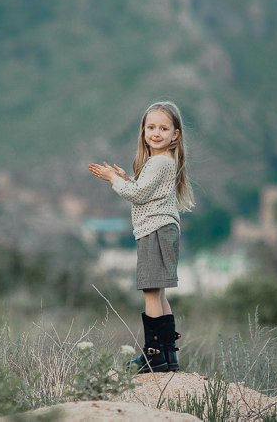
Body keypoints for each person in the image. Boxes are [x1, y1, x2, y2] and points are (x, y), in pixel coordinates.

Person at [88, 100, 195, 373]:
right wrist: (128, 178)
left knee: (150, 290)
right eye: (151, 127)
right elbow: (145, 193)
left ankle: (154, 354)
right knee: (158, 292)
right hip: (163, 229)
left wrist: (114, 179)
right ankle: (168, 354)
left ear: (176, 134)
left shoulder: (159, 162)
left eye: (163, 128)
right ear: (143, 130)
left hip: (154, 230)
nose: (156, 133)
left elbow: (136, 196)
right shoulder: (161, 162)